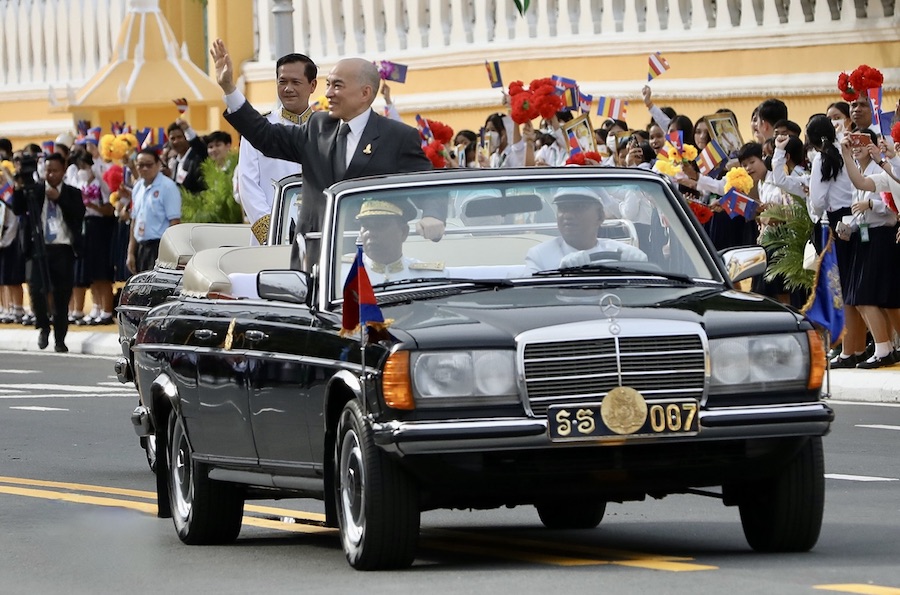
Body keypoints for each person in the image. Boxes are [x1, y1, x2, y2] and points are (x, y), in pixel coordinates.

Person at [211, 39, 443, 266]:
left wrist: (433, 216)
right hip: (314, 258)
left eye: (337, 85)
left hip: (370, 260)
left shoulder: (397, 136)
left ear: (365, 93)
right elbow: (265, 136)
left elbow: (427, 184)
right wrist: (229, 88)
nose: (329, 93)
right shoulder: (318, 127)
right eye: (329, 84)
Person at [236, 53, 317, 245]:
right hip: (272, 237)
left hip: (318, 232)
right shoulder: (260, 129)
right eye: (282, 82)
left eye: (296, 82)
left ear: (312, 85)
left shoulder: (328, 129)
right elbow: (247, 184)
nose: (288, 89)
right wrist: (273, 231)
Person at [11, 153, 85, 352]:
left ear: (63, 171)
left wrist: (59, 198)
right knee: (36, 290)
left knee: (62, 295)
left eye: (55, 171)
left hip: (63, 249)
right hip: (38, 248)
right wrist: (18, 187)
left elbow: (79, 214)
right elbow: (17, 208)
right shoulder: (35, 190)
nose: (50, 175)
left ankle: (60, 339)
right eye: (47, 170)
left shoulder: (72, 192)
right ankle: (43, 325)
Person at [525, 187, 647, 273]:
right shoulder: (540, 256)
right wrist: (562, 275)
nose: (567, 215)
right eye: (562, 208)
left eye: (578, 207)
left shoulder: (621, 254)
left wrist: (639, 268)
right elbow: (537, 302)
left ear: (600, 216)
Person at [344, 199, 445, 285]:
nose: (370, 233)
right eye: (366, 226)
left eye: (380, 225)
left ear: (403, 232)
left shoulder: (428, 277)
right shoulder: (342, 273)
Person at [126, 150, 182, 274]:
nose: (144, 168)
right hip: (141, 247)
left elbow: (175, 222)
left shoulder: (168, 187)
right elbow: (134, 221)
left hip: (159, 247)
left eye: (149, 165)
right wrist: (130, 253)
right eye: (140, 165)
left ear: (158, 165)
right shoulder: (138, 187)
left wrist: (168, 254)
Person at [167, 119, 207, 193]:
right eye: (172, 138)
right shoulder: (175, 162)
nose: (176, 141)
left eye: (179, 137)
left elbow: (201, 149)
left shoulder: (197, 158)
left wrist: (187, 129)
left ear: (186, 137)